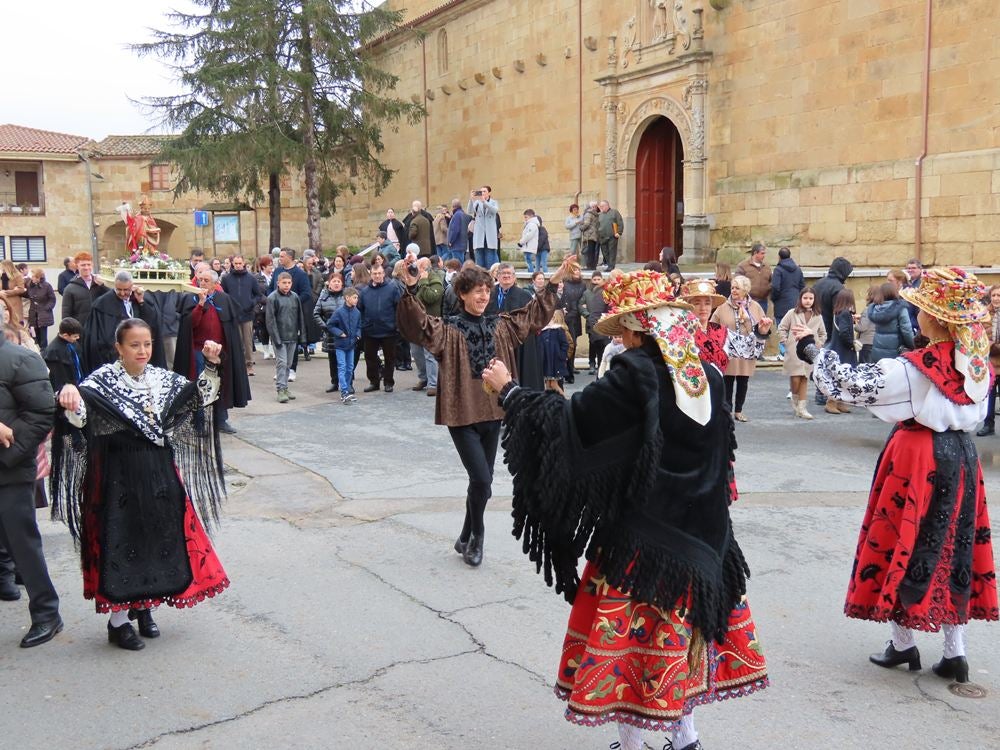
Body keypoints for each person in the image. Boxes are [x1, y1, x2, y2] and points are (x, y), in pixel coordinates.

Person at [480, 269, 767, 750]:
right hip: (706, 537)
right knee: (678, 641)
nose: (625, 339)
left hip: (645, 541)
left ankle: (633, 745)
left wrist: (509, 391)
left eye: (626, 330)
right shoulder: (707, 373)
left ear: (637, 328)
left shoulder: (634, 375)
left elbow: (571, 424)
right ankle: (685, 738)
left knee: (634, 650)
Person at [793, 266, 998, 684]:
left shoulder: (915, 369)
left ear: (936, 320)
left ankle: (903, 643)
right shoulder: (975, 368)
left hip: (917, 456)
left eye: (922, 309)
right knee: (953, 543)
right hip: (961, 455)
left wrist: (814, 353)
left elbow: (846, 384)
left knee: (902, 540)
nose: (915, 312)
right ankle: (954, 651)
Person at [52, 319, 228, 651]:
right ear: (118, 348)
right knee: (123, 543)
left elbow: (198, 398)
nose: (142, 351)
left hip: (159, 472)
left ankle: (145, 607)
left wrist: (212, 364)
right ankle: (117, 623)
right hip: (118, 477)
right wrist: (69, 397)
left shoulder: (161, 379)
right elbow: (80, 419)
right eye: (134, 345)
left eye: (147, 344)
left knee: (155, 541)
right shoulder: (100, 382)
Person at [396, 256, 571, 567]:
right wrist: (410, 288)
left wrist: (555, 279)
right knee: (482, 479)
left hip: (494, 413)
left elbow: (533, 315)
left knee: (482, 481)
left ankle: (464, 536)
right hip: (462, 413)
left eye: (486, 291)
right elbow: (418, 327)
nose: (483, 296)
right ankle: (477, 537)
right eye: (476, 291)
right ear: (462, 294)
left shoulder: (500, 325)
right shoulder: (448, 329)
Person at [0, 328, 62, 648]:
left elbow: (41, 413)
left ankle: (46, 613)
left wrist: (7, 451)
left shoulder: (22, 359)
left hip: (9, 472)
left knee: (23, 545)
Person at [175, 268, 250, 434]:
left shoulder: (224, 299)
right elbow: (190, 324)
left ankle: (221, 420)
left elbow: (230, 327)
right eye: (200, 280)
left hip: (219, 353)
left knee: (221, 385)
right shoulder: (191, 298)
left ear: (215, 284)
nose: (202, 283)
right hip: (198, 351)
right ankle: (199, 422)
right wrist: (200, 305)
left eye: (206, 280)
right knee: (201, 387)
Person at [710, 275, 772, 422]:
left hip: (747, 352)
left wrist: (763, 327)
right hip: (728, 352)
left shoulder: (755, 307)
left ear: (745, 290)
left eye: (737, 288)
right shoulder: (723, 307)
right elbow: (712, 326)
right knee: (728, 383)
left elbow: (762, 329)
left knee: (743, 382)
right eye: (732, 287)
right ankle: (727, 411)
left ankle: (739, 411)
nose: (733, 290)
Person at [82, 270, 165, 376]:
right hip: (113, 358)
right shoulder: (102, 304)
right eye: (118, 289)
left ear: (132, 286)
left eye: (126, 290)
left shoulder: (140, 298)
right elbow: (95, 336)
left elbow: (152, 324)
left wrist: (141, 302)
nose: (122, 293)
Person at [487, 264, 544, 391]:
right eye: (503, 273)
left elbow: (530, 320)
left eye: (509, 273)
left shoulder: (524, 295)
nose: (506, 276)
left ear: (514, 277)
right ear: (497, 276)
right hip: (496, 341)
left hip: (519, 343)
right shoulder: (490, 293)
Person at [777, 287, 826, 419]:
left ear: (814, 300)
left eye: (811, 298)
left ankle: (802, 408)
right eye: (805, 298)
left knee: (804, 378)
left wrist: (818, 344)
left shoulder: (818, 316)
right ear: (800, 299)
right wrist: (786, 341)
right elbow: (782, 327)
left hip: (809, 351)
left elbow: (823, 333)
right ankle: (795, 398)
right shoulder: (792, 313)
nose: (808, 301)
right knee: (795, 378)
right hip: (794, 350)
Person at [358, 264, 403, 393]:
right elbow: (360, 310)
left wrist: (396, 325)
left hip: (389, 330)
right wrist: (363, 325)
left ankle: (388, 382)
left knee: (390, 358)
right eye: (374, 273)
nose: (377, 276)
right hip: (370, 330)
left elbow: (399, 308)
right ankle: (374, 381)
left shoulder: (392, 289)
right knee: (370, 358)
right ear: (370, 275)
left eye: (379, 273)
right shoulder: (365, 292)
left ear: (384, 274)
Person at [266, 271, 307, 404]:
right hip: (280, 337)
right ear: (278, 283)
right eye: (284, 283)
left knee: (289, 363)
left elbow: (300, 316)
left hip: (292, 336)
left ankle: (285, 387)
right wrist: (276, 339)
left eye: (289, 283)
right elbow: (270, 321)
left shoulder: (295, 297)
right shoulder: (272, 298)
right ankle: (280, 389)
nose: (287, 285)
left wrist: (302, 336)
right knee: (282, 363)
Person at [221, 255, 265, 378]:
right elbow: (223, 295)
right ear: (232, 264)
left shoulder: (251, 278)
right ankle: (237, 365)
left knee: (247, 342)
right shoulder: (226, 279)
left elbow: (258, 295)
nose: (238, 266)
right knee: (236, 341)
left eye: (240, 263)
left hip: (247, 314)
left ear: (243, 263)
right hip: (233, 315)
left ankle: (249, 365)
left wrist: (251, 303)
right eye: (236, 263)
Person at [678, 278, 728, 373]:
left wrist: (761, 331)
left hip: (718, 386)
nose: (703, 308)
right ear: (689, 306)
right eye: (697, 303)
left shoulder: (722, 332)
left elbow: (749, 350)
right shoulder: (681, 333)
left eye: (707, 303)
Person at [411, 257, 444, 396]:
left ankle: (433, 383)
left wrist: (423, 281)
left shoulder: (435, 279)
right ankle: (423, 378)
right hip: (418, 322)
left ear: (424, 267)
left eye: (418, 266)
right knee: (416, 352)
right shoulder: (417, 279)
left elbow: (431, 297)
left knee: (429, 354)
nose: (415, 269)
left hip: (431, 321)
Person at [825, 288, 859, 415]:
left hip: (837, 348)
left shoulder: (838, 312)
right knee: (840, 377)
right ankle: (832, 402)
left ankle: (839, 402)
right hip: (844, 350)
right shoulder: (845, 313)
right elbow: (845, 332)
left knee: (839, 377)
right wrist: (852, 344)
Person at [327, 287, 362, 404]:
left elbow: (359, 326)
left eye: (357, 298)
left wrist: (358, 334)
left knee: (350, 368)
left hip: (351, 345)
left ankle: (347, 390)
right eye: (355, 297)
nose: (357, 300)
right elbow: (330, 325)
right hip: (340, 345)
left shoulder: (357, 312)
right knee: (342, 367)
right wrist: (339, 333)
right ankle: (344, 392)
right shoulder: (339, 312)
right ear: (347, 298)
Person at [314, 273, 346, 394]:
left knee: (346, 361)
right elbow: (316, 314)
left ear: (342, 283)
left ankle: (348, 383)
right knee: (333, 360)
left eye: (339, 281)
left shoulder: (346, 296)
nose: (336, 283)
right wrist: (325, 326)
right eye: (334, 281)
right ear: (329, 283)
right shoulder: (323, 296)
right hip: (331, 334)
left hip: (345, 334)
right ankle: (334, 382)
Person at [867, 282, 915, 363]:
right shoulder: (900, 308)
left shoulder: (876, 308)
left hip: (877, 351)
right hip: (895, 352)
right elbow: (906, 330)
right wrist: (913, 346)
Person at [61, 252, 109, 329]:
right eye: (83, 265)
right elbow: (66, 315)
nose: (86, 268)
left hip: (100, 329)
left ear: (92, 265)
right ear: (77, 266)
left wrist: (103, 286)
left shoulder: (99, 284)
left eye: (88, 264)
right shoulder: (70, 288)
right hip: (81, 330)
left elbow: (113, 298)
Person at [978, 284, 1000, 437]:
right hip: (990, 360)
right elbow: (980, 336)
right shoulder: (984, 314)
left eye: (999, 295)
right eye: (993, 295)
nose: (996, 298)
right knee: (989, 395)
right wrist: (993, 347)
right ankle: (988, 424)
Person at [43, 317, 84, 395]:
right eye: (75, 336)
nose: (78, 338)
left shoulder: (72, 343)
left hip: (77, 383)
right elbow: (57, 378)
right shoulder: (53, 353)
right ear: (65, 335)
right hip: (67, 390)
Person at [770, 247, 804, 339]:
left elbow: (775, 288)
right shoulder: (798, 269)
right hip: (796, 305)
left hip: (781, 307)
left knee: (782, 335)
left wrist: (773, 299)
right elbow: (802, 288)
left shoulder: (778, 270)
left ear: (779, 257)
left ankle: (784, 353)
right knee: (796, 334)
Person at [582, 271, 610, 375]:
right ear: (591, 280)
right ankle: (592, 363)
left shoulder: (606, 292)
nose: (597, 281)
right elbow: (581, 305)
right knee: (593, 344)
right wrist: (587, 314)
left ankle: (599, 366)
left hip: (601, 325)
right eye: (595, 279)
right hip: (592, 322)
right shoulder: (587, 293)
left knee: (601, 348)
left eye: (599, 279)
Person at [467, 186, 500, 268]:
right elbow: (469, 211)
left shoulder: (493, 202)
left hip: (489, 236)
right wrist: (471, 199)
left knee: (490, 260)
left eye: (484, 191)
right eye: (481, 191)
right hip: (479, 235)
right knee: (479, 261)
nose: (482, 193)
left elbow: (495, 210)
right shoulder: (477, 203)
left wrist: (484, 202)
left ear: (489, 193)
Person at [735, 241, 772, 315]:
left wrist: (768, 289)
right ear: (755, 253)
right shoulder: (743, 266)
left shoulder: (767, 267)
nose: (764, 255)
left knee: (761, 323)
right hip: (748, 301)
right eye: (762, 253)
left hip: (763, 301)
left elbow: (771, 281)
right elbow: (737, 282)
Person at [25, 268, 56, 350]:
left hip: (43, 314)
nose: (32, 278)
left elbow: (52, 299)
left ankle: (44, 351)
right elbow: (26, 294)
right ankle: (38, 349)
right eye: (32, 276)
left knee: (43, 336)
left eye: (34, 276)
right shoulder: (30, 285)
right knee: (35, 334)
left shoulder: (47, 286)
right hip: (33, 313)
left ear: (39, 277)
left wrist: (47, 308)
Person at [596, 200, 623, 271]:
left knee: (612, 252)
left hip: (612, 236)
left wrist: (619, 232)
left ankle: (611, 266)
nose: (601, 207)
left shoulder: (614, 212)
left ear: (607, 205)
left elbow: (620, 222)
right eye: (600, 206)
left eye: (602, 206)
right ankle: (609, 264)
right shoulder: (599, 215)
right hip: (602, 237)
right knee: (605, 252)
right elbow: (597, 225)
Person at [1, 259, 27, 328]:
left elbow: (21, 289)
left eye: (2, 267)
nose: (1, 268)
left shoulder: (17, 276)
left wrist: (8, 292)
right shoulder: (1, 276)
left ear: (7, 267)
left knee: (16, 326)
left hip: (14, 305)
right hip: (3, 304)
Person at [579, 201, 600, 271]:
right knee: (593, 251)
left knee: (589, 251)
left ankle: (589, 266)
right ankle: (593, 266)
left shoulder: (588, 214)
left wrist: (581, 227)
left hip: (589, 235)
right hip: (594, 235)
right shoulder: (596, 214)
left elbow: (586, 224)